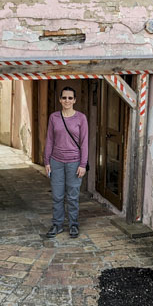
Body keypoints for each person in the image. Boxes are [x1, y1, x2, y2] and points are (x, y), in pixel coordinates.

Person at [44, 86, 88, 238]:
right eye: (64, 98)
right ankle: (57, 225)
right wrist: (47, 161)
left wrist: (83, 164)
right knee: (57, 196)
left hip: (74, 163)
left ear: (75, 100)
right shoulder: (54, 117)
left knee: (73, 196)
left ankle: (73, 225)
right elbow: (49, 140)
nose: (67, 100)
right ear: (60, 100)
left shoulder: (81, 118)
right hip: (56, 162)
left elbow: (84, 143)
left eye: (70, 98)